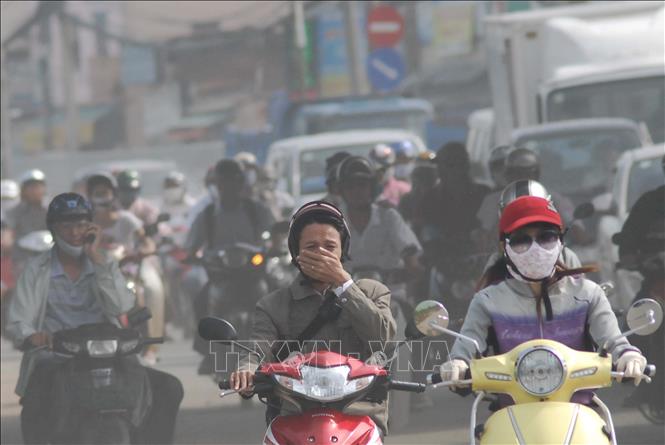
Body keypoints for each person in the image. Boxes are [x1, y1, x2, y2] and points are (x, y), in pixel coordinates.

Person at [5, 193, 183, 444]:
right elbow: (18, 321)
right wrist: (33, 335)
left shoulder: (105, 264)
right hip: (58, 356)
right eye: (66, 226)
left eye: (80, 225)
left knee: (168, 388)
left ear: (91, 228)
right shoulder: (36, 270)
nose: (75, 232)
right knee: (36, 402)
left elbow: (121, 305)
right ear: (53, 229)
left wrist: (97, 260)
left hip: (110, 353)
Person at [439, 196, 648, 406]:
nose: (535, 247)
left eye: (546, 237)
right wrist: (458, 363)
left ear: (560, 242)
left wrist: (628, 355)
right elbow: (466, 346)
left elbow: (613, 340)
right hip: (511, 414)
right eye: (522, 239)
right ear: (504, 246)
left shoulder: (588, 294)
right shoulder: (487, 301)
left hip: (580, 411)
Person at [229, 201, 395, 435]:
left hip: (359, 416)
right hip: (295, 417)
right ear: (296, 254)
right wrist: (247, 370)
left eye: (329, 246)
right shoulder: (273, 305)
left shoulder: (373, 291)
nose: (321, 254)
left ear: (342, 250)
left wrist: (343, 284)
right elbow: (258, 348)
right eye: (311, 247)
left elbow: (384, 339)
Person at [186, 159, 274, 373]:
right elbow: (191, 246)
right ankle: (208, 352)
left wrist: (273, 246)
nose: (228, 187)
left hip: (253, 274)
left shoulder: (257, 210)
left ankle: (284, 348)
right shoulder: (206, 216)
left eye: (233, 182)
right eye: (223, 183)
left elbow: (274, 235)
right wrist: (193, 256)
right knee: (201, 301)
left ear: (241, 183)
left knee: (278, 296)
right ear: (217, 185)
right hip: (221, 275)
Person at [87, 173, 165, 365]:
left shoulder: (126, 219)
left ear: (113, 195)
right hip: (95, 273)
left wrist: (144, 251)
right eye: (97, 193)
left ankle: (150, 347)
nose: (101, 197)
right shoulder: (85, 222)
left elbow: (146, 241)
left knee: (148, 291)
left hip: (129, 269)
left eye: (105, 192)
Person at [420, 142, 490, 312]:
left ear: (464, 167)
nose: (449, 172)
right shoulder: (430, 198)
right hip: (444, 262)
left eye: (454, 165)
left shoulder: (483, 193)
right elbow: (423, 231)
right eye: (445, 166)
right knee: (420, 287)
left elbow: (493, 228)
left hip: (482, 262)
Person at [6, 170, 49, 276]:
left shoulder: (52, 209)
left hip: (48, 253)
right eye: (31, 187)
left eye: (38, 187)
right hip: (23, 255)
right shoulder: (15, 211)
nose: (35, 191)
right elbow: (9, 230)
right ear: (24, 190)